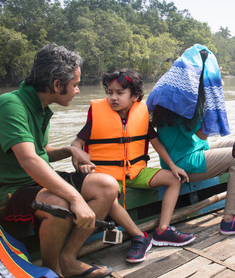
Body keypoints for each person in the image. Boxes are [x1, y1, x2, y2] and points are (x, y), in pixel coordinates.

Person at [0, 43, 115, 277]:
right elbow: (30, 160)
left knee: (107, 186)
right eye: (75, 85)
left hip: (38, 183)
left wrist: (70, 151)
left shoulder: (40, 107)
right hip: (11, 191)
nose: (78, 91)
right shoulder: (10, 106)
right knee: (59, 205)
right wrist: (75, 198)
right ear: (56, 85)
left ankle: (68, 259)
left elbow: (41, 151)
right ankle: (52, 271)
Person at [147, 44, 235, 235]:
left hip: (190, 150)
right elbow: (202, 134)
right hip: (184, 162)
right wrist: (213, 101)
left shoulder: (171, 90)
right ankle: (232, 219)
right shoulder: (187, 99)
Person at [71, 69, 195, 252]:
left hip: (136, 172)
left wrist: (172, 166)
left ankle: (162, 230)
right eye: (109, 92)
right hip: (108, 177)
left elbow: (155, 142)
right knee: (108, 197)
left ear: (135, 95)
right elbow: (76, 143)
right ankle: (139, 236)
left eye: (119, 93)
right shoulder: (98, 114)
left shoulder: (141, 113)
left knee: (173, 179)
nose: (113, 97)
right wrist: (80, 160)